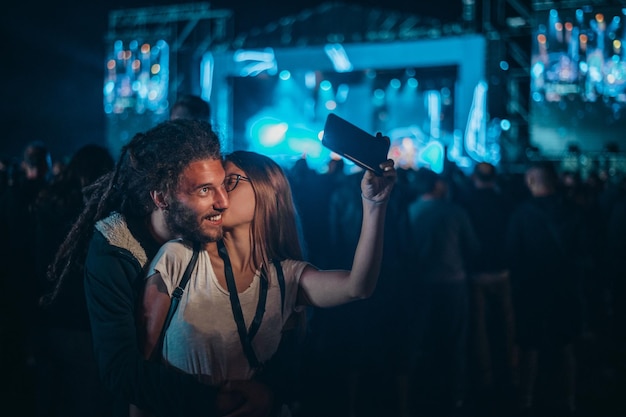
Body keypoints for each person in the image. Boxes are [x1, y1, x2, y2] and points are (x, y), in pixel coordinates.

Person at [136, 150, 396, 417]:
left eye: (230, 182)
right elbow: (139, 373)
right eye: (212, 186)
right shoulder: (180, 257)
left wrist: (374, 204)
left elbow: (358, 286)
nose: (218, 195)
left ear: (266, 188)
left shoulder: (285, 278)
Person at [45, 119, 272, 417]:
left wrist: (267, 390)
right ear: (161, 198)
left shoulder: (216, 232)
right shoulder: (115, 250)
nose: (223, 202)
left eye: (223, 184)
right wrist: (214, 401)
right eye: (205, 190)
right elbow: (120, 368)